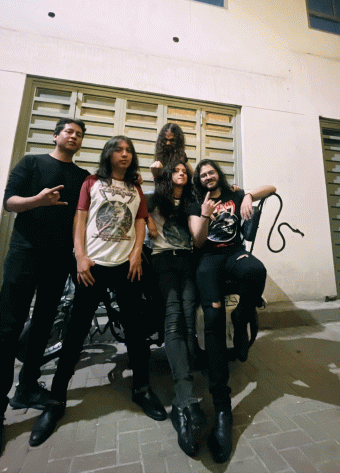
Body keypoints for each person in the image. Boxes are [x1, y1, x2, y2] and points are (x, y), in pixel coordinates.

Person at [28, 136, 166, 448]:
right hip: (93, 266)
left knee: (135, 330)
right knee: (76, 332)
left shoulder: (135, 188)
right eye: (119, 149)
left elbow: (141, 221)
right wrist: (80, 256)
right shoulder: (91, 183)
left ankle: (142, 389)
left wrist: (136, 254)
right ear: (108, 154)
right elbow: (79, 220)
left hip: (126, 267)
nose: (124, 154)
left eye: (129, 150)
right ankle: (56, 400)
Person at [0, 118, 89, 468]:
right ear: (56, 135)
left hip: (58, 259)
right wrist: (37, 200)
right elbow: (9, 203)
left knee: (43, 324)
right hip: (24, 254)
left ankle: (28, 387)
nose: (74, 136)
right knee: (8, 330)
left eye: (79, 134)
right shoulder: (32, 163)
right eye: (69, 131)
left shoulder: (81, 177)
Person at [188, 159, 276, 464]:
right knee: (212, 318)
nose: (208, 177)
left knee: (256, 271)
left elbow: (272, 187)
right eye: (203, 175)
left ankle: (241, 318)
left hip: (235, 253)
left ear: (218, 174)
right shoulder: (197, 202)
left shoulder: (235, 194)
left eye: (211, 172)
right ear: (199, 180)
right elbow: (198, 240)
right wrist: (205, 213)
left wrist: (248, 195)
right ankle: (222, 406)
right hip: (208, 260)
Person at [145, 159, 206, 457]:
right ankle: (184, 396)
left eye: (185, 171)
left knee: (188, 320)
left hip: (187, 260)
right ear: (168, 176)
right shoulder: (156, 199)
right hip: (162, 260)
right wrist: (148, 221)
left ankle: (185, 394)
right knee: (174, 319)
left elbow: (197, 236)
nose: (181, 173)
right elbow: (137, 208)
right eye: (176, 170)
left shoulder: (193, 202)